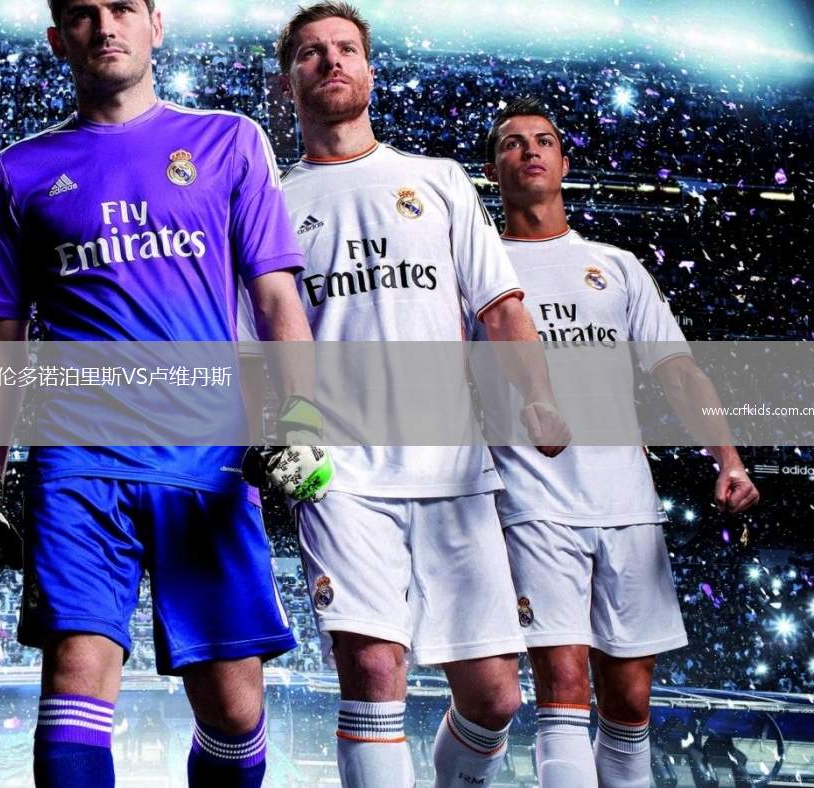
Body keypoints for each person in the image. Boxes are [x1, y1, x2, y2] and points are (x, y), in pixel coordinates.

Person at [0, 0, 330, 785]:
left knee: (233, 711)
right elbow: (0, 338)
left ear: (156, 25)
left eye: (123, 7)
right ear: (58, 39)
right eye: (83, 13)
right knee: (73, 681)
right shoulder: (17, 172)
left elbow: (275, 297)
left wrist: (302, 416)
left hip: (208, 458)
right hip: (76, 463)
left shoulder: (229, 141)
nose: (105, 25)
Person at [276, 5, 571, 786]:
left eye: (346, 49)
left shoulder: (437, 180)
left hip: (454, 468)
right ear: (288, 81)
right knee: (375, 672)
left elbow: (500, 306)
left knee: (497, 698)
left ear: (370, 72)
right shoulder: (272, 200)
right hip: (341, 474)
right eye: (311, 52)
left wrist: (539, 398)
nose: (331, 61)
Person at [482, 96, 760, 788]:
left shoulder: (616, 265)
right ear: (493, 171)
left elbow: (678, 371)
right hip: (531, 501)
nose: (530, 151)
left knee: (631, 701)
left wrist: (728, 458)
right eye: (512, 143)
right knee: (563, 687)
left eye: (543, 140)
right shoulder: (479, 268)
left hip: (626, 501)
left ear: (564, 163)